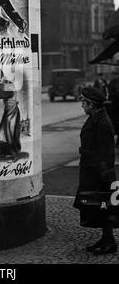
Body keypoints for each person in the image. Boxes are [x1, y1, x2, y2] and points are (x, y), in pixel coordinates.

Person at [73, 87, 117, 255]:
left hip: (100, 173)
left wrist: (104, 177)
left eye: (83, 102)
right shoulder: (96, 117)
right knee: (99, 207)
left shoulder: (102, 122)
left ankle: (109, 242)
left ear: (91, 104)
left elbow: (106, 152)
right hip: (93, 171)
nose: (82, 105)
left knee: (104, 207)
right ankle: (106, 239)